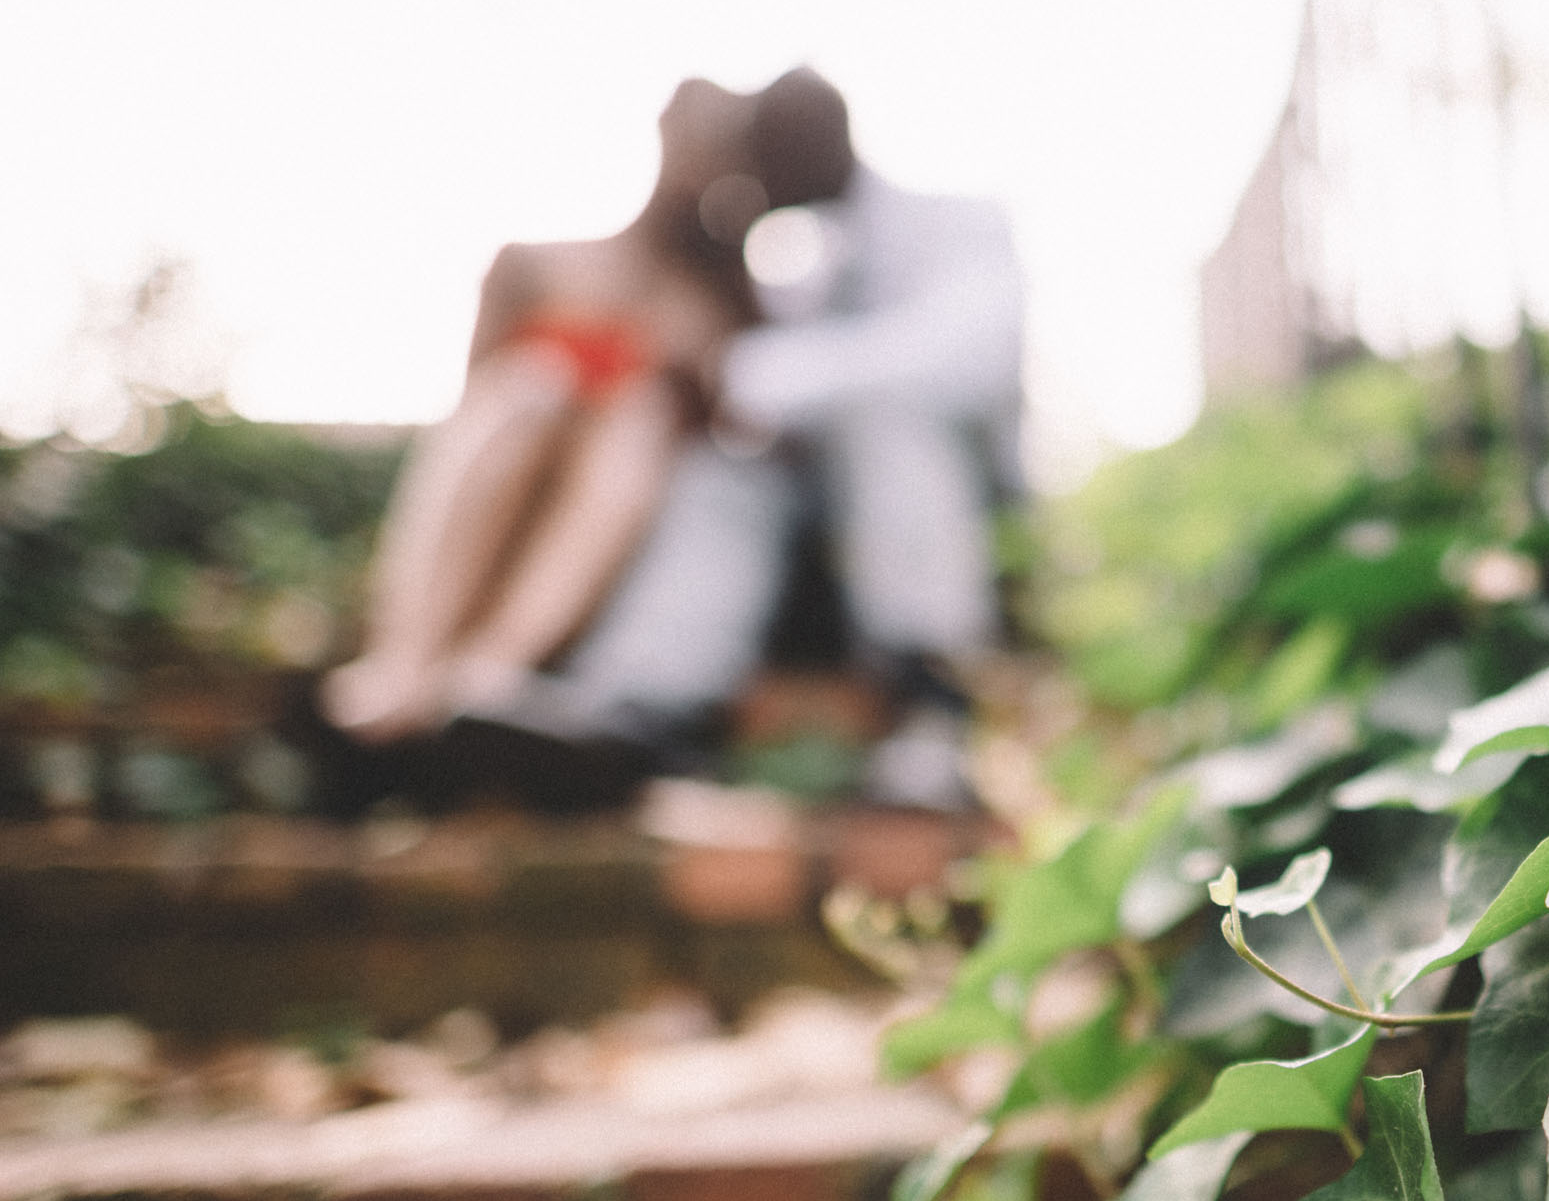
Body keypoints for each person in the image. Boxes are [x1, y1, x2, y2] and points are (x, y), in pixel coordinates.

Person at [456, 67, 1025, 808]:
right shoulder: (802, 269)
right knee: (722, 475)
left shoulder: (955, 222)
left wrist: (755, 375)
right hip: (813, 559)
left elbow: (968, 359)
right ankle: (638, 710)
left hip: (957, 539)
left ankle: (933, 708)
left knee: (886, 418)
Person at [320, 78, 779, 749]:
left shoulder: (722, 307)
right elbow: (470, 408)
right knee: (532, 385)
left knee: (637, 422)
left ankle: (494, 667)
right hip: (510, 497)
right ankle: (406, 655)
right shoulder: (542, 263)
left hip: (606, 541)